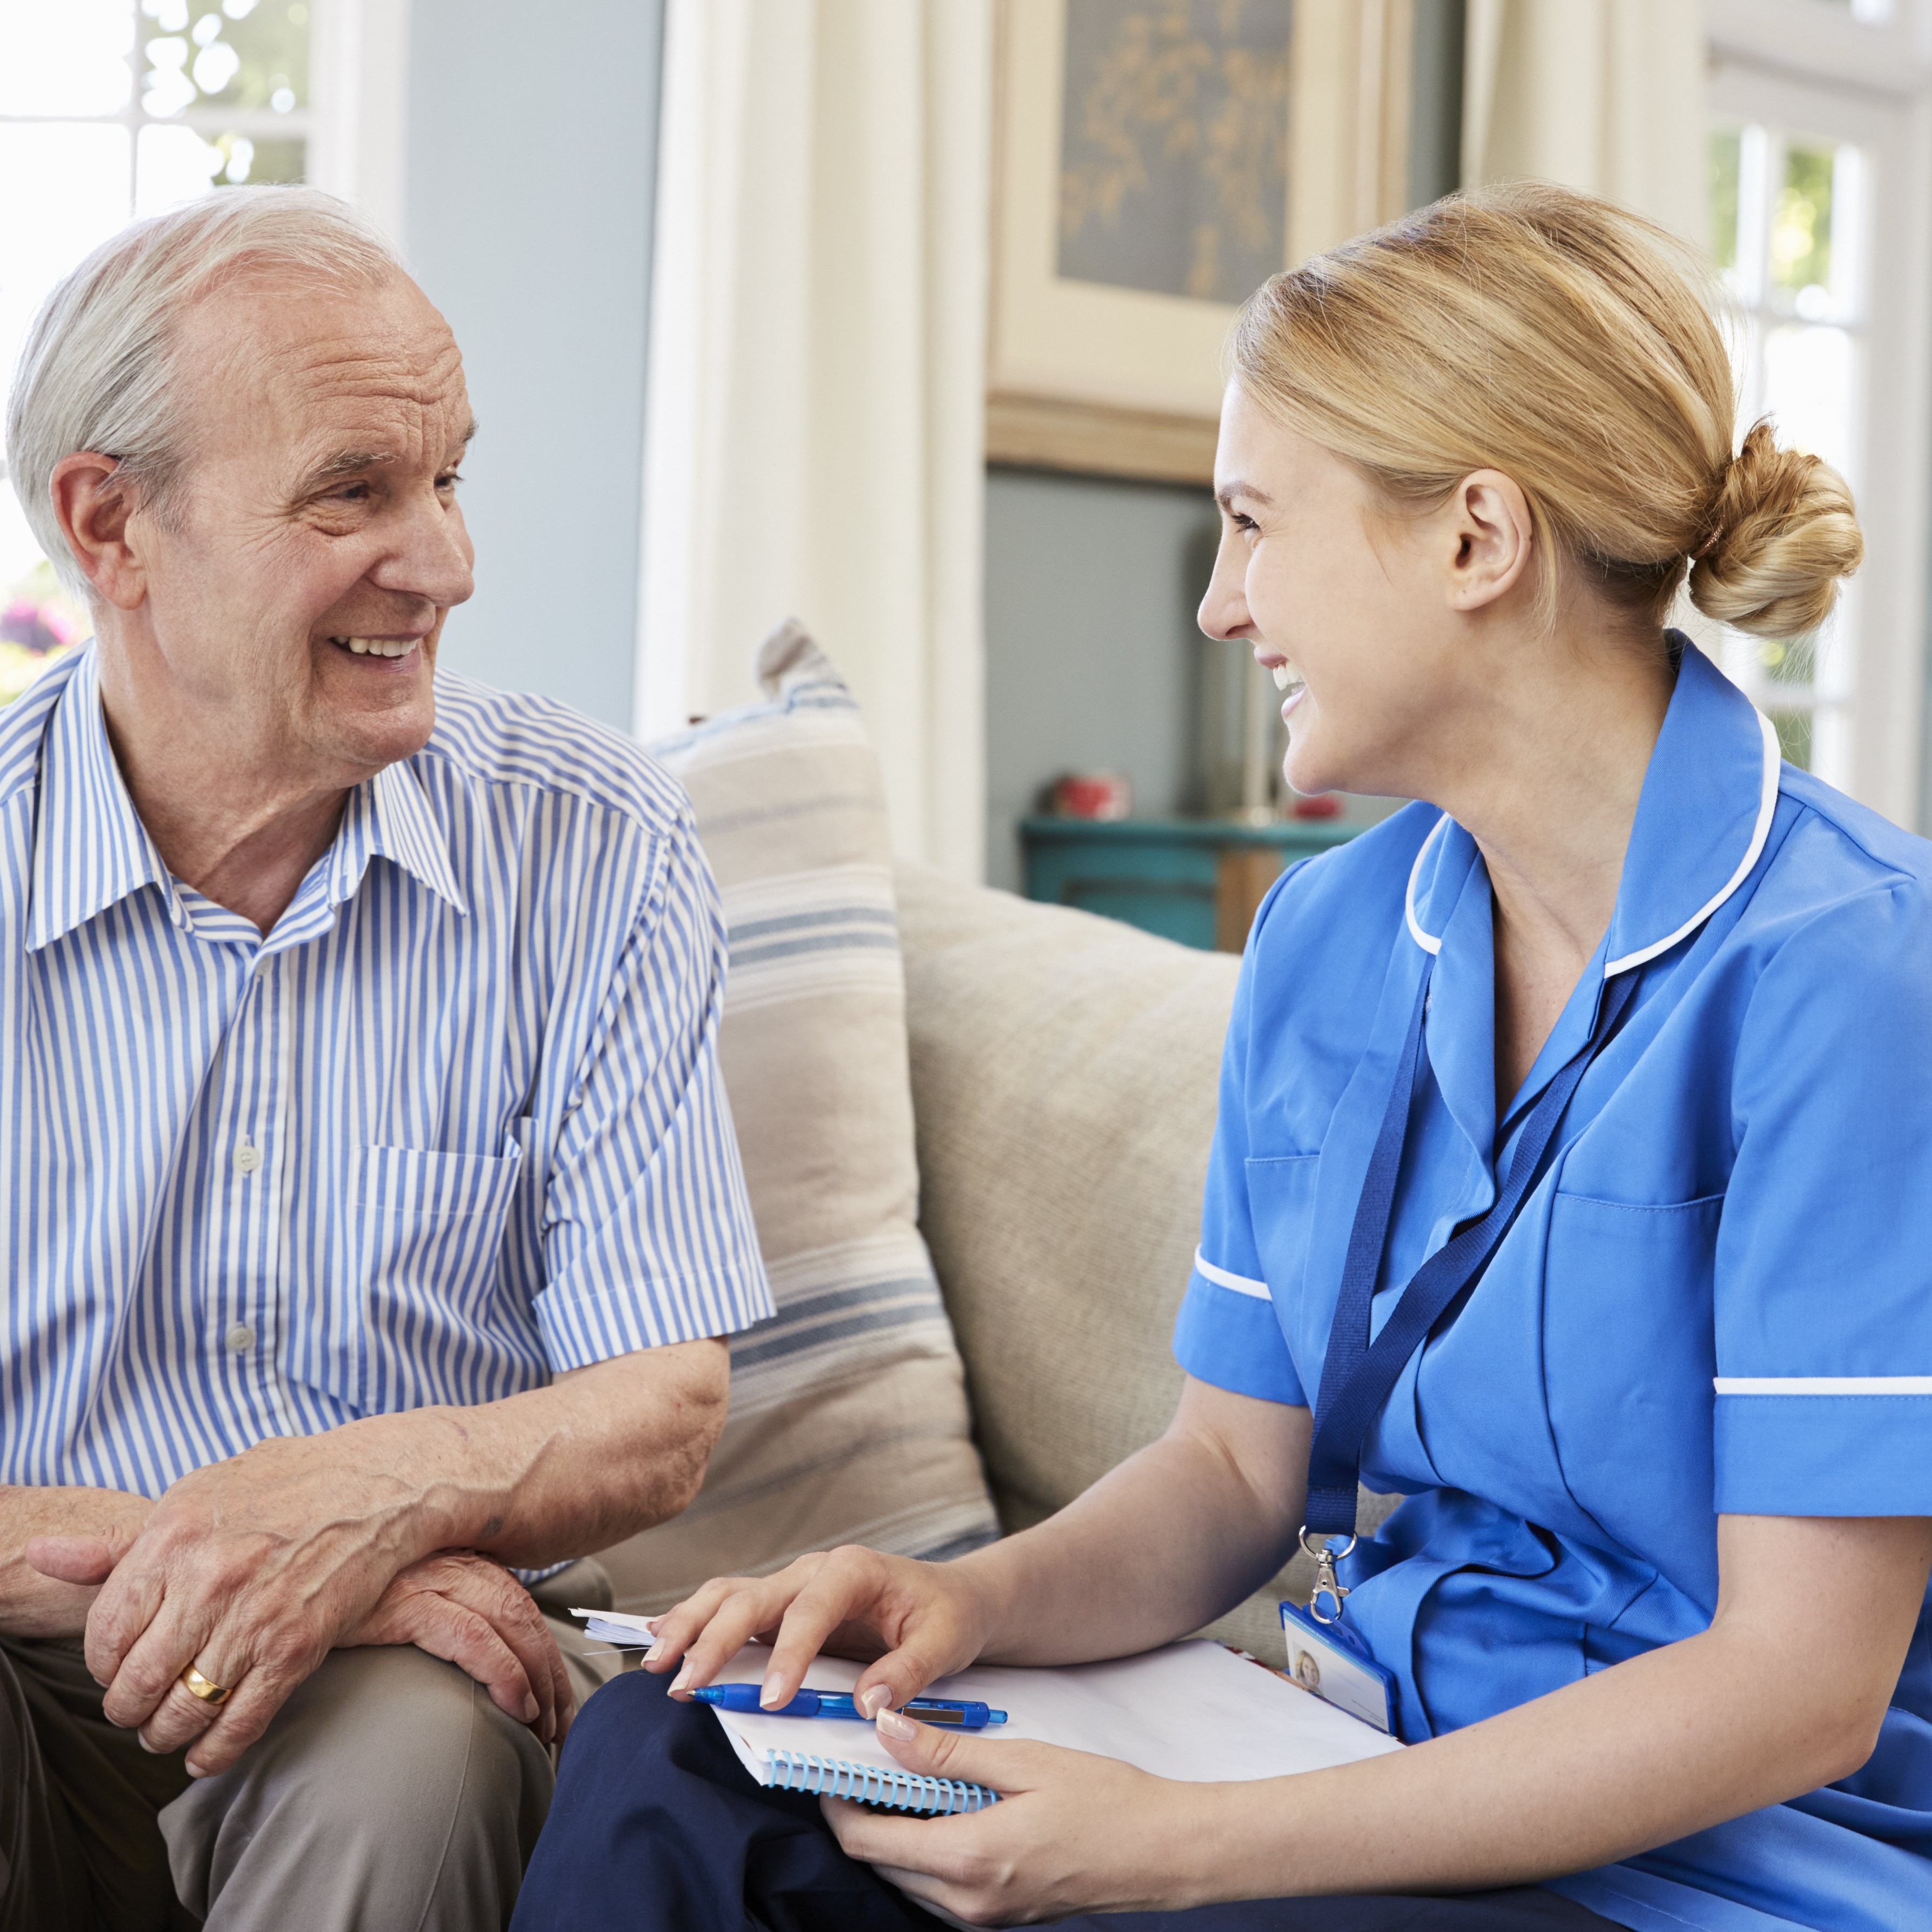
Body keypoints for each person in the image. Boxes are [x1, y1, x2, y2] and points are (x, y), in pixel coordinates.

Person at [511, 185, 1932, 1932]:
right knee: (679, 1753)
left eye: (1256, 524)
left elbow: (1801, 1689)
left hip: (1677, 1875)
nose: (1220, 604)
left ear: (1477, 538)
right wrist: (954, 1600)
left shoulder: (1854, 974)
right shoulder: (1335, 940)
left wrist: (1164, 1845)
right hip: (1322, 1763)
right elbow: (1235, 1474)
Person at [0, 188, 773, 1930]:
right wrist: (283, 1563)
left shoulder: (585, 840)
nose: (444, 560)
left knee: (408, 1758)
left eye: (449, 481)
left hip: (415, 1685)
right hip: (30, 1656)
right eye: (356, 490)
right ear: (112, 526)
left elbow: (661, 1403)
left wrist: (376, 1501)